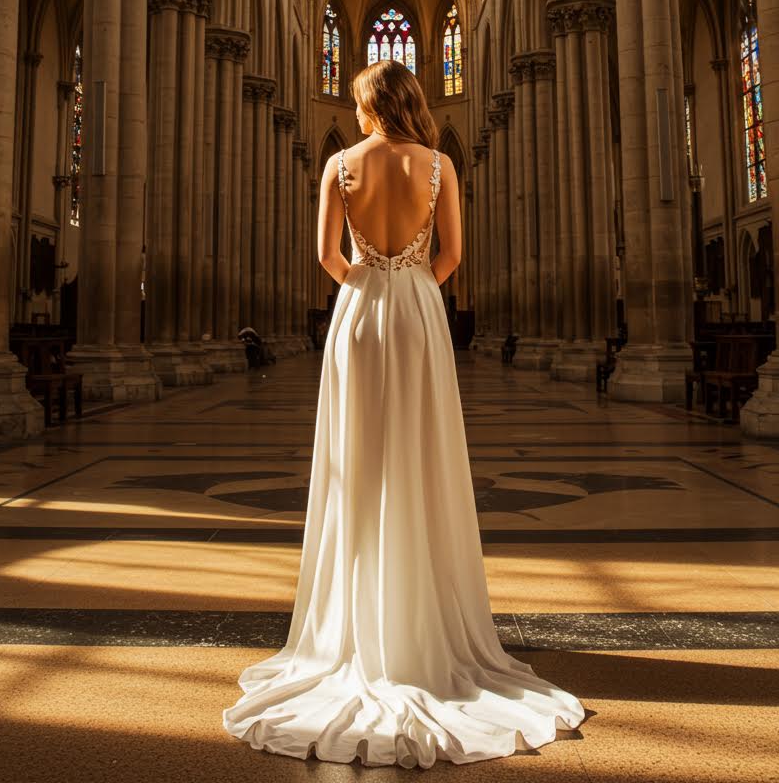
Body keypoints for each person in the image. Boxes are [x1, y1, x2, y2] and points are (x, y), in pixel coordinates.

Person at [222, 60, 585, 767]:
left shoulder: (339, 166)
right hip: (418, 310)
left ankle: (353, 628)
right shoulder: (440, 166)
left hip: (358, 313)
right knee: (421, 454)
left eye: (360, 103)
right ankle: (423, 618)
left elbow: (325, 255)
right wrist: (412, 283)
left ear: (367, 105)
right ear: (413, 102)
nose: (358, 114)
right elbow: (454, 256)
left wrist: (367, 280)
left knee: (357, 461)